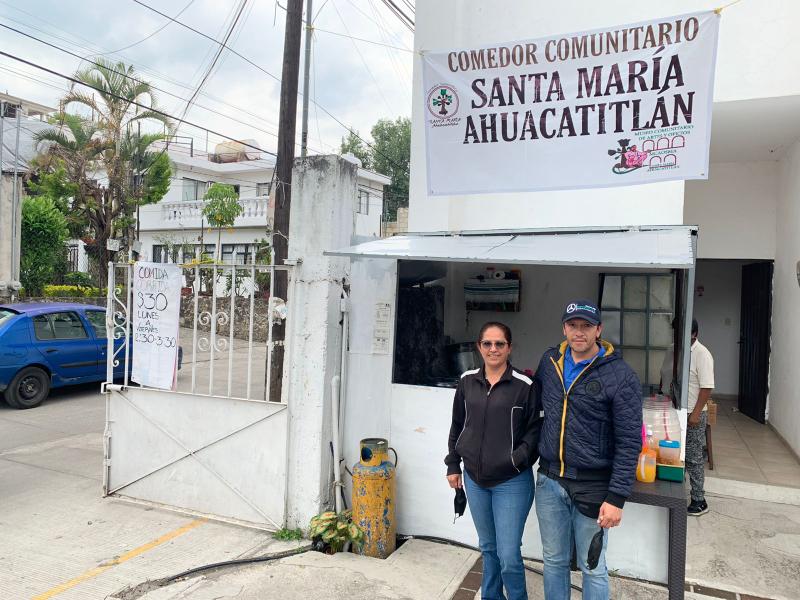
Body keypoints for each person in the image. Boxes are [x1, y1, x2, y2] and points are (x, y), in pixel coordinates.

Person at [534, 300, 642, 600]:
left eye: (586, 326)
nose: (578, 332)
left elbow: (630, 440)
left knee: (592, 566)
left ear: (599, 330)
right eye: (572, 325)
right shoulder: (550, 361)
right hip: (549, 480)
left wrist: (617, 497)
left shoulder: (620, 376)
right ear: (564, 328)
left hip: (594, 486)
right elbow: (535, 407)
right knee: (553, 561)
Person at [445, 321, 542, 600]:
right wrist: (453, 464)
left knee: (508, 553)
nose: (493, 349)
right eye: (487, 343)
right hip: (475, 481)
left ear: (509, 348)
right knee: (488, 548)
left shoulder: (525, 386)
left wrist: (515, 460)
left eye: (500, 343)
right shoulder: (467, 381)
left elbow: (534, 432)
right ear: (479, 347)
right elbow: (457, 425)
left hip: (511, 482)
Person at [686, 319, 714, 516]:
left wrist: (696, 413)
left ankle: (699, 499)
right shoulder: (676, 350)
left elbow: (707, 386)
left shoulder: (702, 353)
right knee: (678, 455)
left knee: (694, 457)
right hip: (678, 410)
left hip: (694, 413)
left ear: (694, 333)